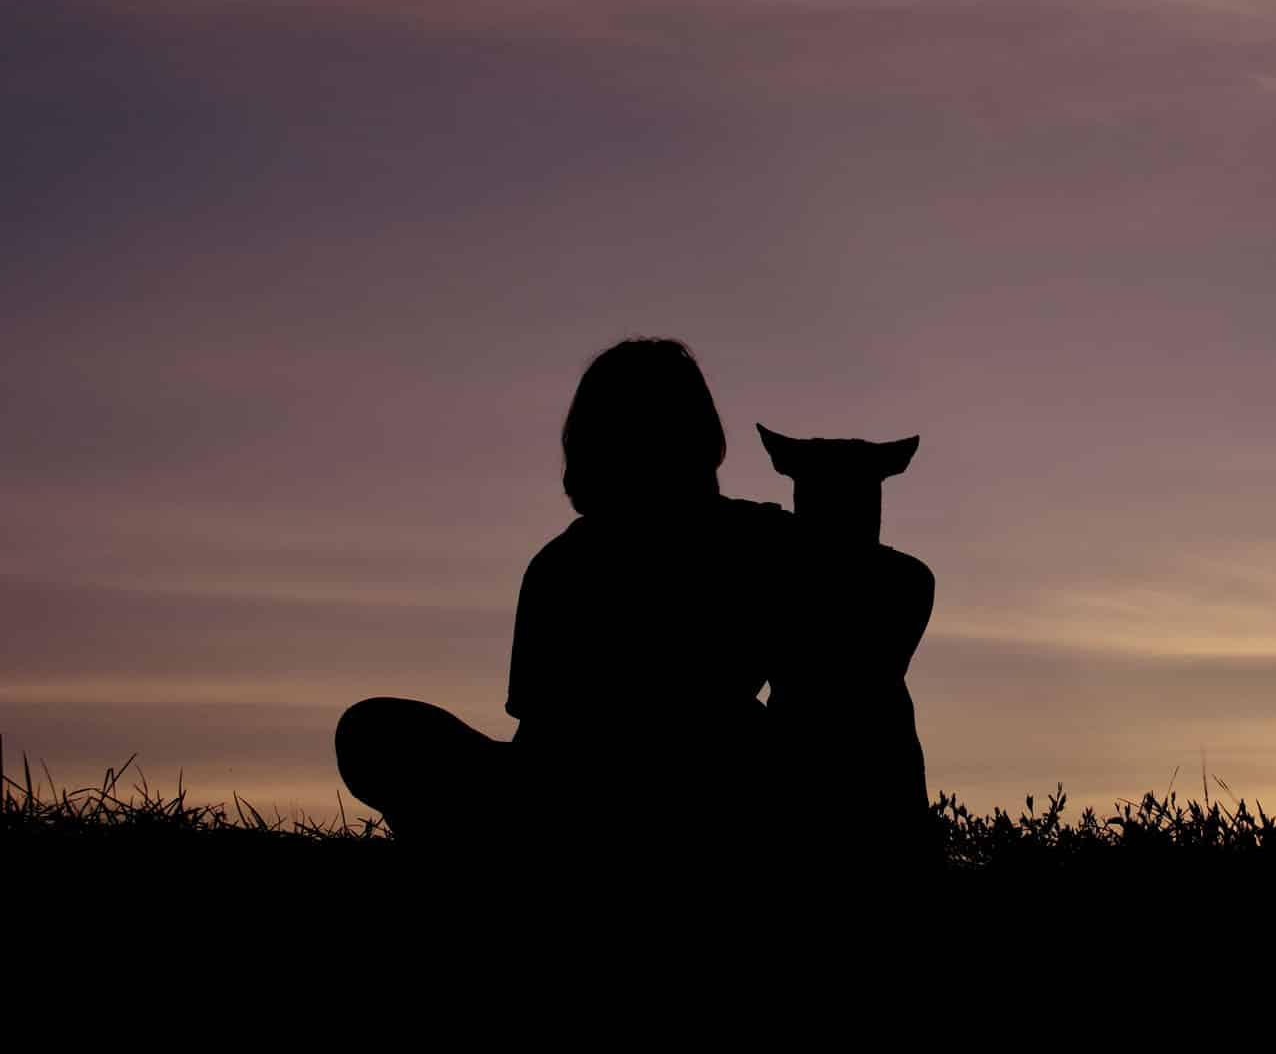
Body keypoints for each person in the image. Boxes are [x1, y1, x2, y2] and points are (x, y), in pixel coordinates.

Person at [334, 338, 938, 874]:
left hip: (706, 791)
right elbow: (548, 732)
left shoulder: (722, 544)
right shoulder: (581, 561)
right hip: (638, 794)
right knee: (375, 728)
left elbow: (542, 734)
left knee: (375, 730)